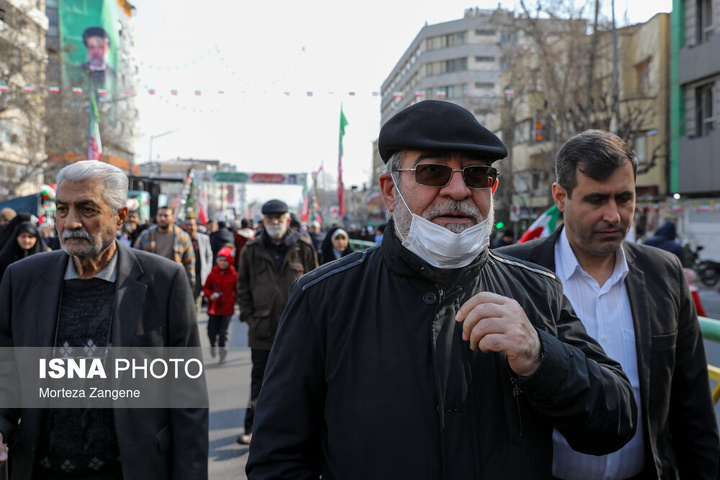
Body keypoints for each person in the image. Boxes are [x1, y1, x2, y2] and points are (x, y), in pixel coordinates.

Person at [245, 101, 637, 479]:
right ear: (389, 189)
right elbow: (277, 458)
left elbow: (614, 422)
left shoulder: (537, 291)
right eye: (433, 173)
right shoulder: (323, 298)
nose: (458, 190)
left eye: (476, 175)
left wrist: (540, 357)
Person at [498, 130, 719, 479]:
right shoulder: (511, 272)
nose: (614, 216)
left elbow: (692, 406)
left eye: (624, 198)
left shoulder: (664, 273)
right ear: (560, 196)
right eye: (597, 200)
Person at [0, 160, 208, 479]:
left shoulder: (164, 281)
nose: (70, 222)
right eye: (62, 209)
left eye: (87, 209)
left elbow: (187, 398)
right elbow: (6, 371)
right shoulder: (22, 278)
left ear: (120, 216)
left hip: (132, 470)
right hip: (41, 469)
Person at [237, 199, 318, 445]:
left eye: (279, 217)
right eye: (270, 217)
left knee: (297, 380)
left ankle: (294, 430)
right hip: (261, 329)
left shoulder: (303, 246)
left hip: (296, 330)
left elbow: (316, 284)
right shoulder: (251, 249)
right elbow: (243, 287)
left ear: (287, 220)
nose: (274, 222)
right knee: (259, 381)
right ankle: (253, 428)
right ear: (263, 220)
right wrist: (250, 317)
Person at [134, 205, 196, 290]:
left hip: (174, 282)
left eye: (166, 216)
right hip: (150, 282)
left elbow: (189, 263)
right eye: (160, 215)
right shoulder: (146, 235)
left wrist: (190, 284)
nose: (162, 218)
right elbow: (135, 258)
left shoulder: (182, 237)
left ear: (173, 218)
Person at [202, 246, 237, 364]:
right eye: (220, 260)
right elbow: (205, 288)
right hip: (214, 309)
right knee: (211, 331)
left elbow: (239, 290)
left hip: (227, 309)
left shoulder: (234, 275)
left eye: (225, 260)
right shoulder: (212, 274)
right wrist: (210, 294)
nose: (222, 263)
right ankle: (213, 346)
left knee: (224, 334)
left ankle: (223, 355)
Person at [183, 216, 214, 314]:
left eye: (191, 225)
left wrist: (207, 270)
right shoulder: (180, 238)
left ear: (196, 226)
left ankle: (194, 325)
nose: (189, 227)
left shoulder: (203, 239)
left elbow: (209, 256)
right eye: (187, 225)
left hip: (198, 273)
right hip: (184, 274)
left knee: (196, 300)